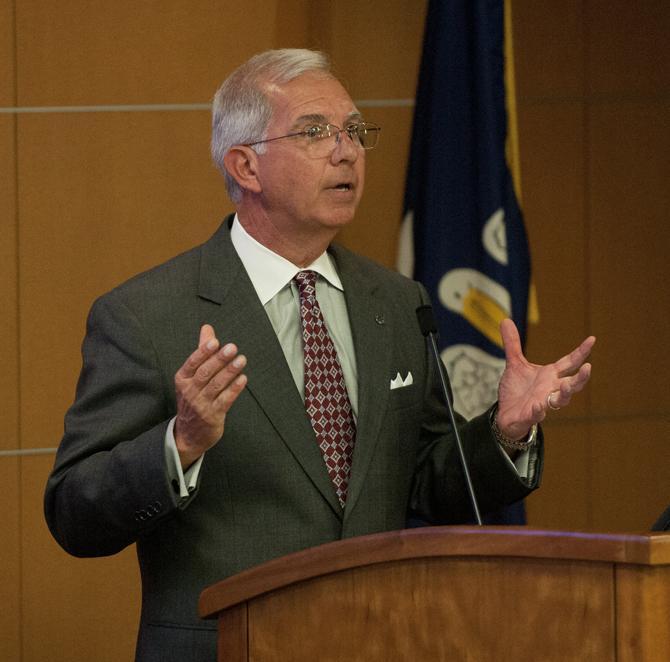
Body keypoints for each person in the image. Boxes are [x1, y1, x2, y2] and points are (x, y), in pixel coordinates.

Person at [44, 49, 595, 662]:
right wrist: (180, 443)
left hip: (380, 641)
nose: (348, 151)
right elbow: (74, 512)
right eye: (315, 132)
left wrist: (505, 433)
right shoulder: (148, 315)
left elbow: (426, 482)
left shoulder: (395, 301)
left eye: (355, 131)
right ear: (245, 166)